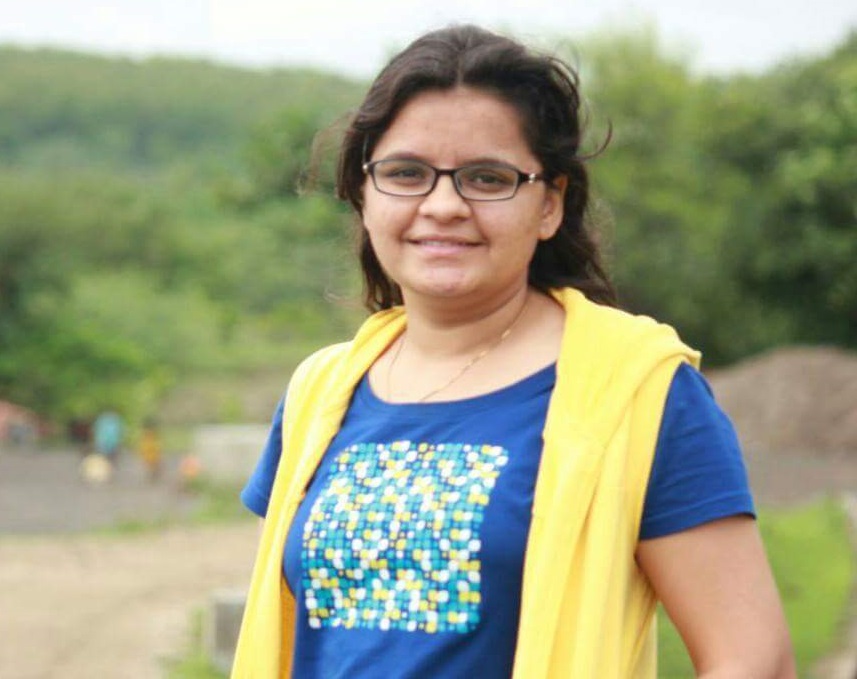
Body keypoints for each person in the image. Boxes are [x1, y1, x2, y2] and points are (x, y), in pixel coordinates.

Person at [233, 24, 795, 678]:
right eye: (406, 173)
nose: (443, 204)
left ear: (550, 204)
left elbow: (754, 659)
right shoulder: (320, 393)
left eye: (487, 177)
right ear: (365, 193)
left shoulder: (638, 393)